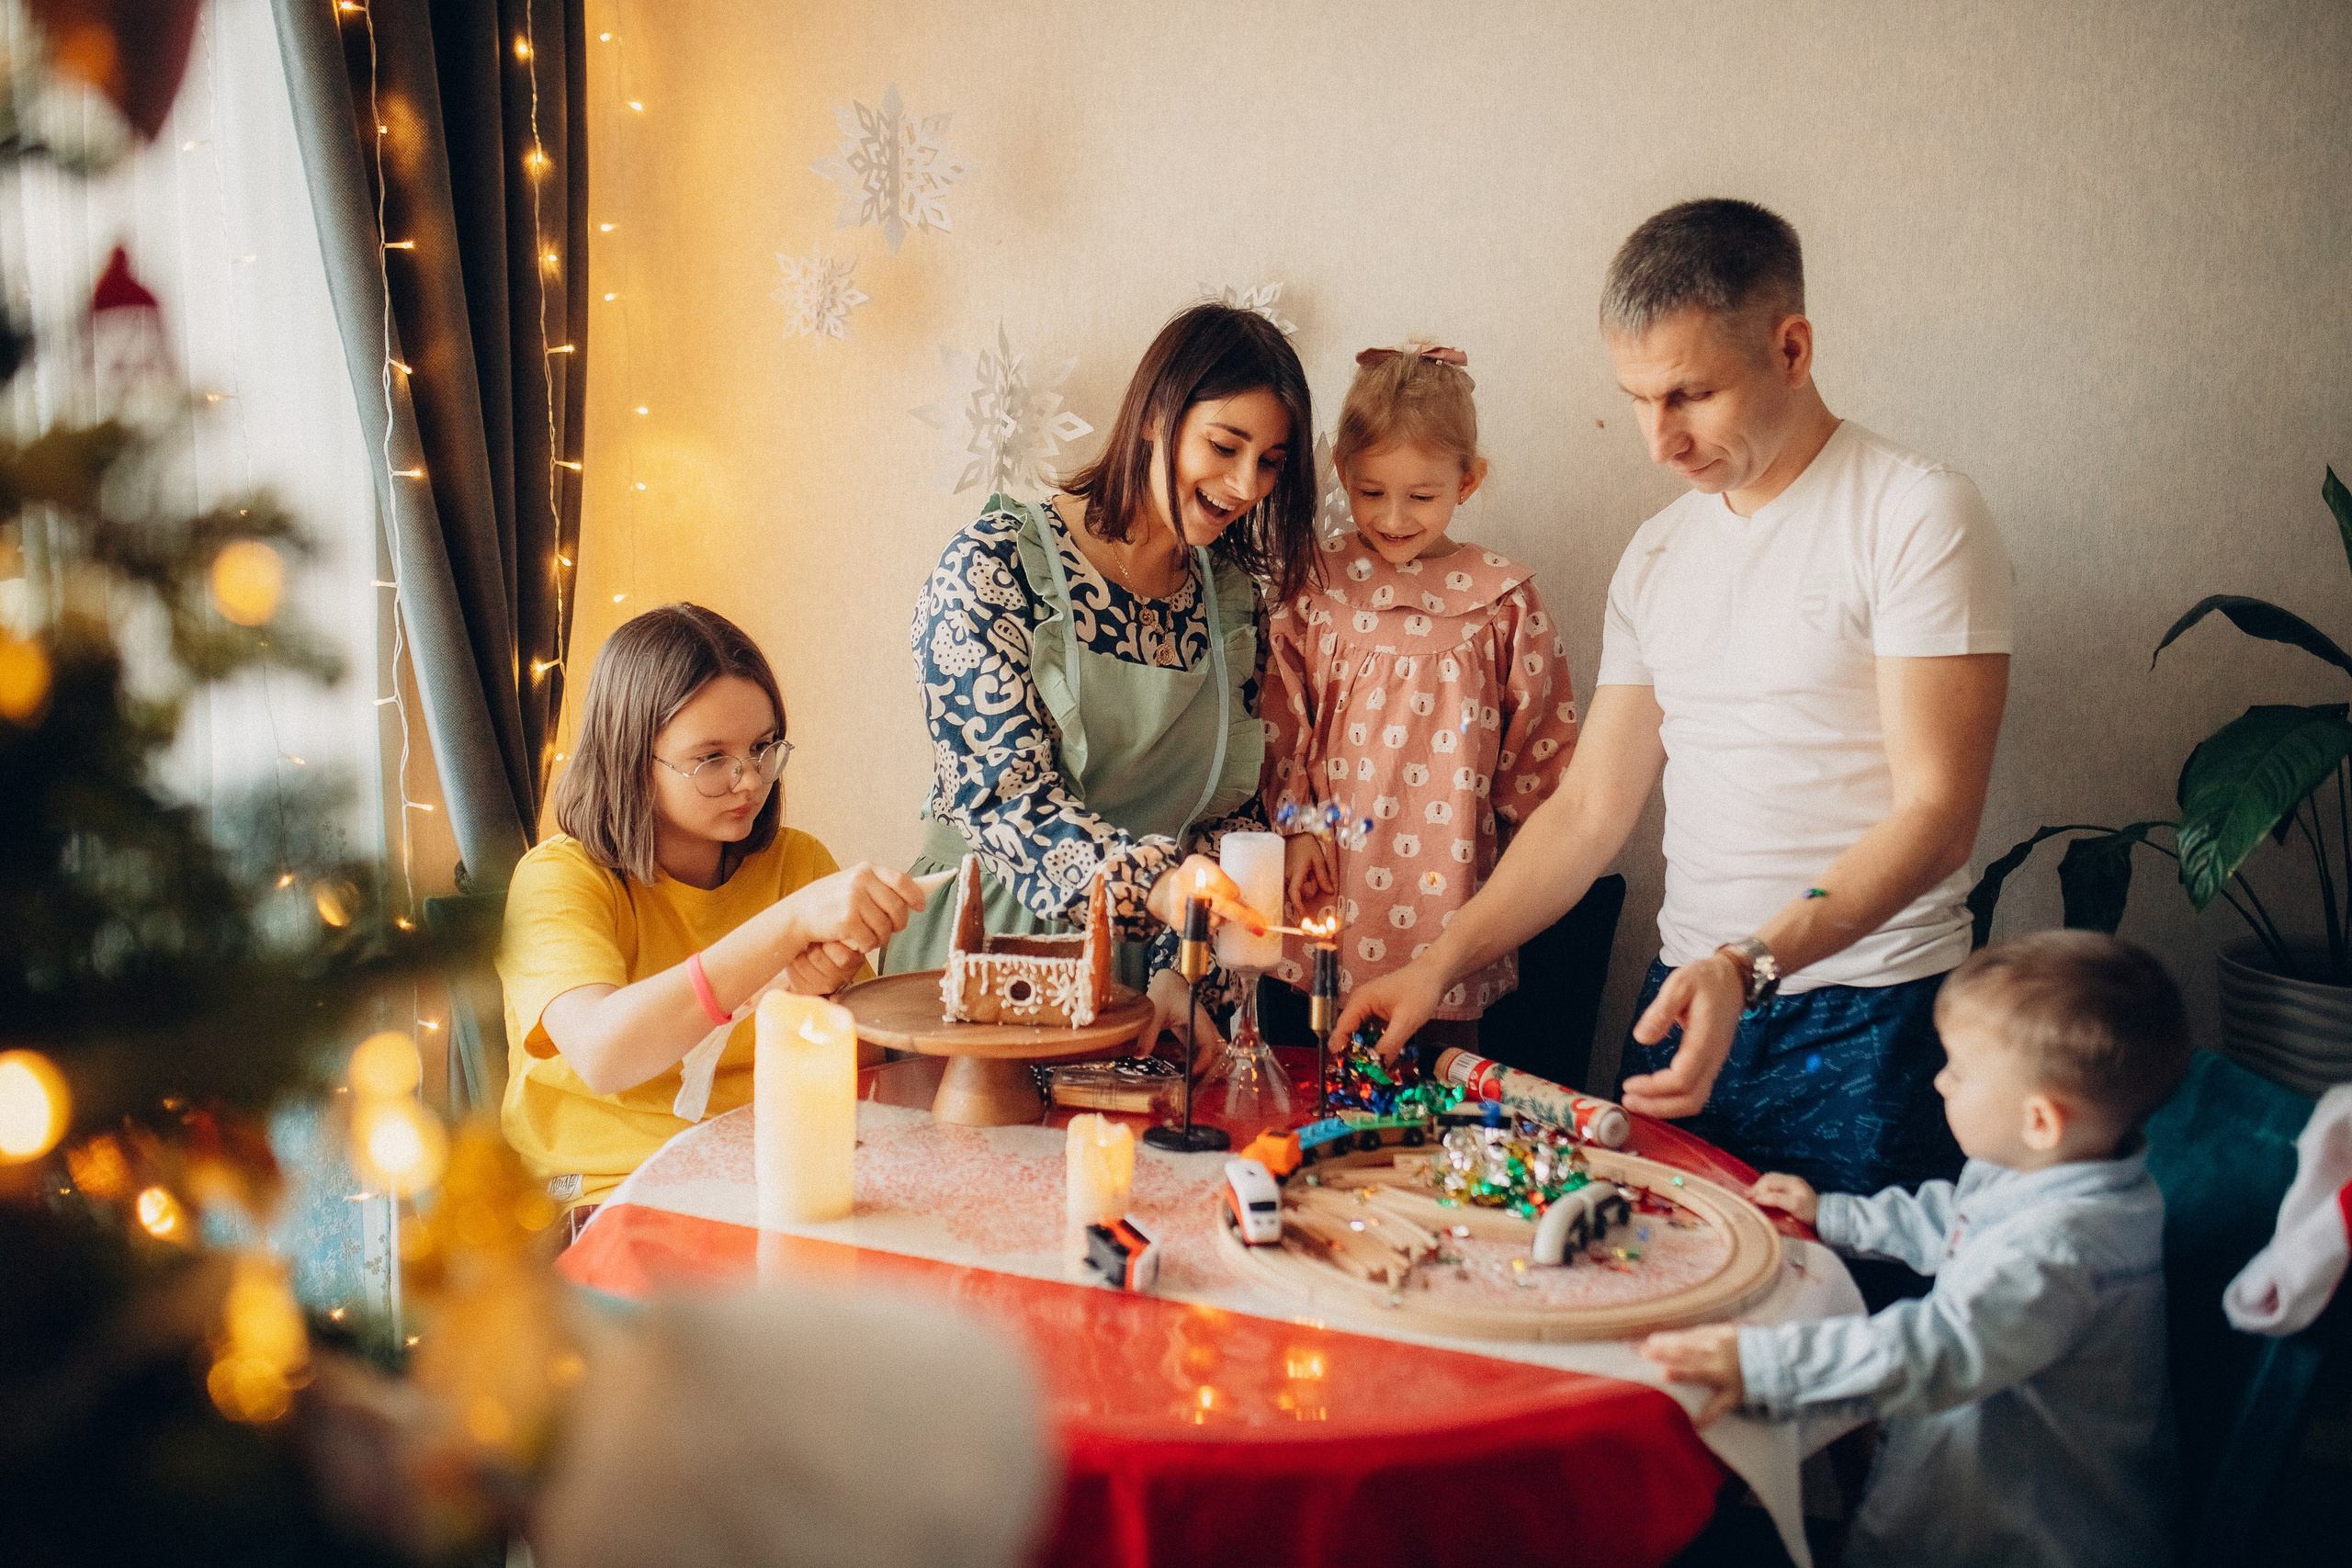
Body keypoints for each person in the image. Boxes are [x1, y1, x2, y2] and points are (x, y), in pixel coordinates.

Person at [1334, 197, 2014, 1204]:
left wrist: (1749, 964)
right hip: (1683, 1003)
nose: (1658, 442)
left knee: (1847, 1338)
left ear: (1791, 349)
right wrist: (1440, 962)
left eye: (1690, 395)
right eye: (1639, 398)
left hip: (1871, 1013)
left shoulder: (1915, 513)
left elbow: (1936, 816)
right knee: (1660, 1317)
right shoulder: (1658, 553)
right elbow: (1587, 812)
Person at [1641, 931, 2189, 1568]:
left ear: (2040, 1120)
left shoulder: (2062, 1253)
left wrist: (1765, 1365)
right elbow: (1955, 1219)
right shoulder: (2052, 1169)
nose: (1939, 1079)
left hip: (2028, 1535)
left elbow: (1932, 1349)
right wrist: (1836, 1213)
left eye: (1958, 1068)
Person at [888, 304, 1322, 1059]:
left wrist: (1177, 972)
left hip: (1148, 990)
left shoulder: (1230, 602)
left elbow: (1223, 816)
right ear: (1157, 414)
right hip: (992, 955)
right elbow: (1004, 802)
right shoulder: (993, 567)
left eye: (1272, 461)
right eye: (1225, 445)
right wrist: (1156, 888)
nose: (1247, 483)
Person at [497, 604, 923, 1227]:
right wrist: (787, 927)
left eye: (761, 747)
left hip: (764, 1183)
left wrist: (809, 998)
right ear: (632, 759)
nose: (748, 779)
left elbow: (862, 1075)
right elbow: (603, 1053)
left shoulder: (797, 861)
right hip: (606, 1196)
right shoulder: (557, 879)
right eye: (711, 758)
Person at [1261, 343, 1577, 1052]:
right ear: (1343, 473)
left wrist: (1523, 874)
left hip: (1448, 905)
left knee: (1431, 1102)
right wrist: (1298, 826)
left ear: (1468, 482)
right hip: (1326, 891)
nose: (1394, 516)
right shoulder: (1315, 583)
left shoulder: (1504, 602)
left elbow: (1542, 758)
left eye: (1422, 495)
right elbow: (1281, 720)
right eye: (1371, 492)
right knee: (1305, 1083)